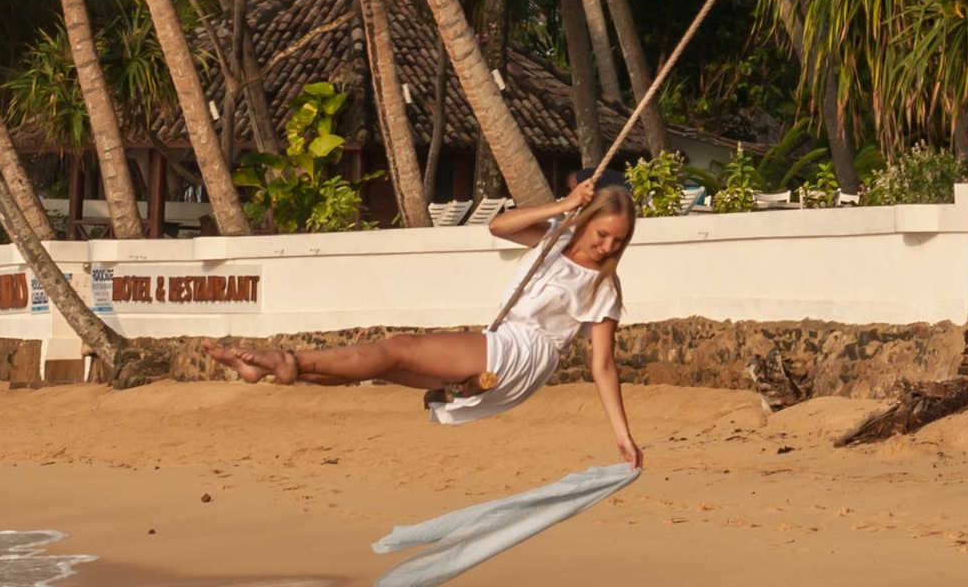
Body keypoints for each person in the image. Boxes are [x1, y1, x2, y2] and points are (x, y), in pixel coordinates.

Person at [209, 177, 643, 468]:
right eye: (601, 234)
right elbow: (499, 226)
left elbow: (602, 365)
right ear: (586, 222)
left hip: (524, 353)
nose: (607, 246)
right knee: (387, 366)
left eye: (618, 241)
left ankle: (285, 359)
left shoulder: (603, 287)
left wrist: (621, 436)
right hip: (504, 338)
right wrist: (564, 206)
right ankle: (277, 370)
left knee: (397, 347)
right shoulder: (557, 237)